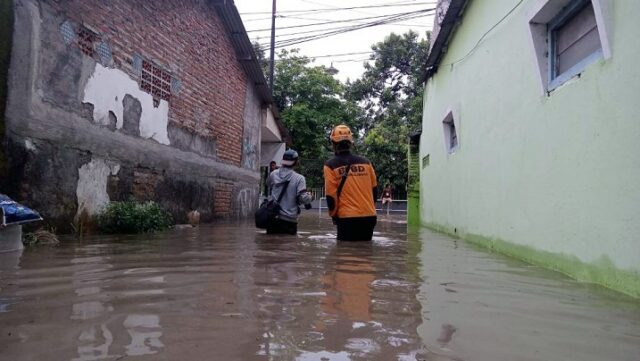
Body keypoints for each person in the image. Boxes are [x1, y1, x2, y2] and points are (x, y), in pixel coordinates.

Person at [323, 124, 378, 241]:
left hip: (347, 218)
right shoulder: (366, 163)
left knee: (344, 255)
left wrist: (333, 215)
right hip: (369, 217)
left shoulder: (330, 165)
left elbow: (331, 196)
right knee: (366, 254)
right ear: (350, 142)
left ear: (333, 144)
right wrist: (368, 208)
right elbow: (374, 191)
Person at [266, 149, 313, 235]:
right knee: (289, 246)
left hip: (272, 218)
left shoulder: (273, 174)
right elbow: (304, 199)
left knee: (271, 245)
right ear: (296, 162)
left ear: (283, 161)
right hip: (289, 220)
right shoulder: (299, 178)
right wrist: (310, 196)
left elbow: (268, 184)